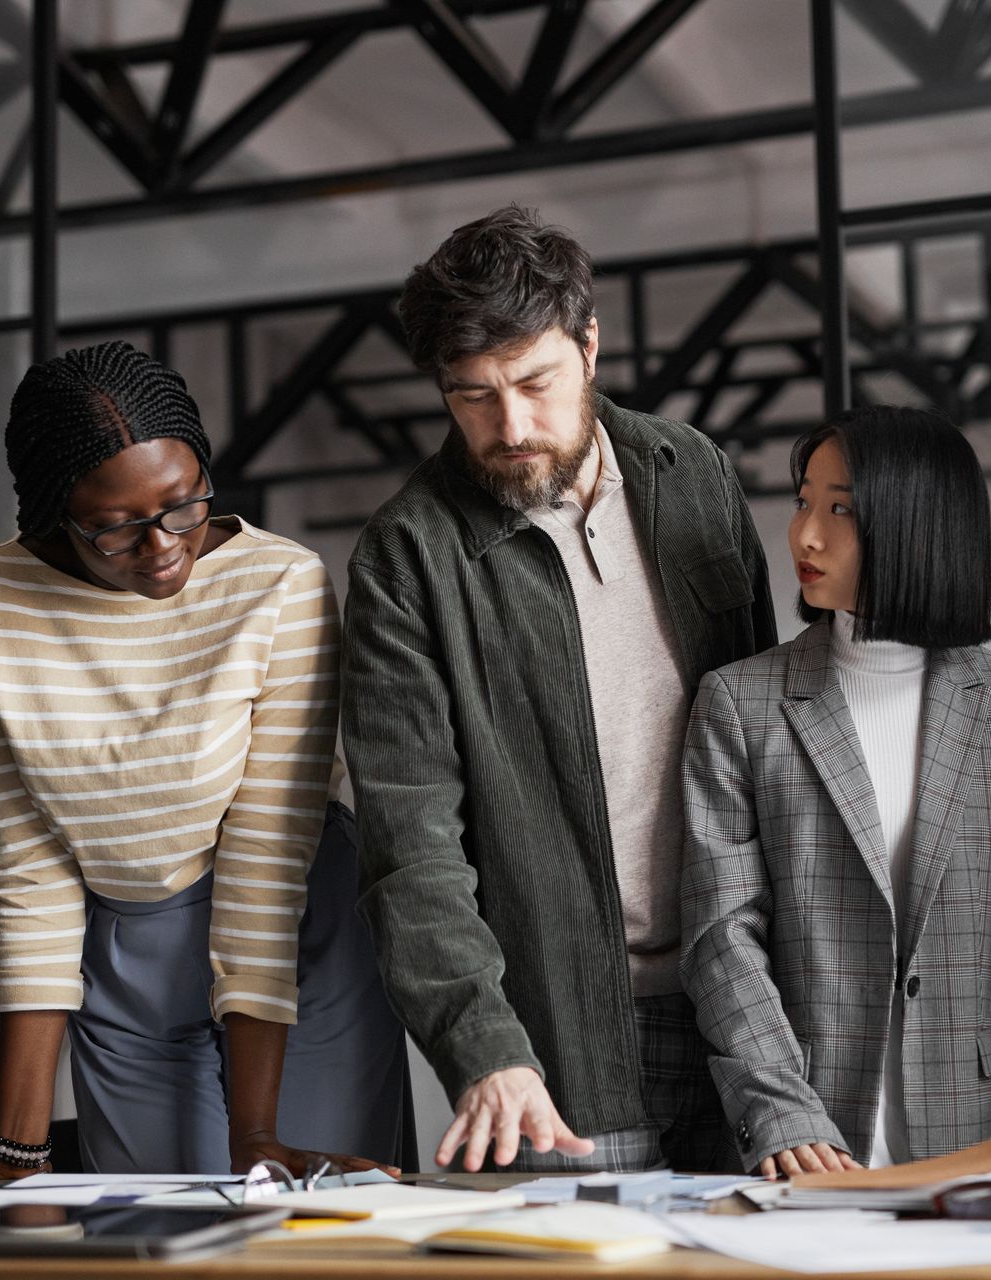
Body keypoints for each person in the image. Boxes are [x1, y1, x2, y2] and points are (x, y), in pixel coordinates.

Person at [342, 206, 776, 1173]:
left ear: (589, 345)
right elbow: (410, 845)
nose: (513, 428)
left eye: (535, 383)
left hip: (745, 1006)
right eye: (473, 397)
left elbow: (768, 740)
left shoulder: (693, 474)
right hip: (554, 1040)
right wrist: (484, 1047)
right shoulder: (407, 557)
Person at [0, 340, 406, 1179]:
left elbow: (266, 852)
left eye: (183, 507)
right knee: (156, 1239)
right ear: (52, 513)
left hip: (296, 935)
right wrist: (18, 1147)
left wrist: (254, 1132)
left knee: (315, 1233)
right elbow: (26, 870)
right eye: (114, 529)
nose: (161, 549)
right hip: (122, 956)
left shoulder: (280, 584)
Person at [681, 405, 991, 1176]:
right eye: (803, 501)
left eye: (841, 509)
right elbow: (721, 931)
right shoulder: (739, 702)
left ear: (918, 521)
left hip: (979, 1132)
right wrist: (780, 1109)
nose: (805, 535)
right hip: (805, 1140)